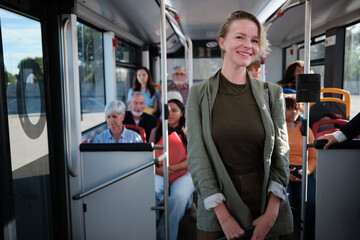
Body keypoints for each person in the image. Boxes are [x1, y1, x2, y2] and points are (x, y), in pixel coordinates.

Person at [186, 10, 293, 240]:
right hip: (217, 201)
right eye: (240, 37)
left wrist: (272, 212)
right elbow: (197, 157)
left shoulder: (272, 93)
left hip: (265, 200)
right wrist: (223, 216)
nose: (248, 45)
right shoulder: (198, 94)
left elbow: (281, 154)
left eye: (254, 40)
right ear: (222, 42)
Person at [151, 98, 195, 240]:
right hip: (160, 171)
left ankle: (164, 236)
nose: (170, 113)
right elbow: (148, 156)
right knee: (150, 193)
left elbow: (195, 158)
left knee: (179, 197)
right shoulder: (156, 131)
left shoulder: (190, 131)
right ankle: (149, 230)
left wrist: (173, 168)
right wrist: (158, 170)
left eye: (174, 110)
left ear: (182, 113)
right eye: (167, 110)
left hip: (184, 172)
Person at [284, 94, 316, 240]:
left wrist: (306, 171)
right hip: (282, 170)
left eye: (296, 109)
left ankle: (306, 236)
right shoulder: (277, 129)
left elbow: (313, 157)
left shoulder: (305, 129)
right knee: (285, 204)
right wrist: (284, 170)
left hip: (303, 170)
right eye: (290, 109)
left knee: (310, 203)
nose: (294, 112)